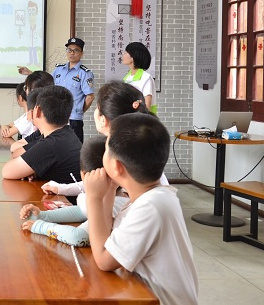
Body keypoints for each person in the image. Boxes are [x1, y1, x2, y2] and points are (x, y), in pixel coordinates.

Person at [84, 113, 198, 305]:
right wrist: (110, 190)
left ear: (117, 167)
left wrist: (93, 198)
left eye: (106, 149)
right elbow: (108, 237)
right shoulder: (153, 197)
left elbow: (104, 260)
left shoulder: (150, 207)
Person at [41, 80, 155, 196]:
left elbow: (106, 189)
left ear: (103, 120)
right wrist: (61, 189)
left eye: (97, 107)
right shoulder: (133, 145)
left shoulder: (119, 152)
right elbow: (100, 182)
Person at [20, 135, 126, 247]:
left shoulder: (113, 206)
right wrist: (42, 215)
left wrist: (40, 227)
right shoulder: (114, 198)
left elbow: (77, 237)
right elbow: (80, 211)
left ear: (83, 174)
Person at [19, 37, 94, 143]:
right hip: (55, 116)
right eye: (69, 50)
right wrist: (30, 73)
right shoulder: (59, 69)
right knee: (55, 145)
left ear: (82, 53)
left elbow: (90, 97)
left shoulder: (85, 73)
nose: (72, 53)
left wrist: (78, 111)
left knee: (74, 148)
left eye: (76, 50)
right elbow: (46, 82)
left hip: (73, 119)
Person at [2, 85, 81, 183]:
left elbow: (7, 171)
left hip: (59, 193)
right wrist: (32, 169)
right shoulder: (66, 133)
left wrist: (28, 169)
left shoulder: (51, 144)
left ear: (38, 111)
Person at [8, 70, 54, 158]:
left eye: (26, 87)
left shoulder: (46, 123)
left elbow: (15, 153)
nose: (25, 91)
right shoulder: (39, 131)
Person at [122, 41, 156, 112]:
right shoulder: (127, 78)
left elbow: (147, 104)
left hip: (141, 117)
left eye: (125, 53)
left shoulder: (145, 77)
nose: (123, 55)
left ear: (133, 57)